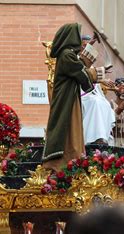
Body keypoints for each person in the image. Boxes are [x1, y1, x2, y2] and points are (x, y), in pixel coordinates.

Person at [42, 23, 111, 171]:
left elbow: (81, 63)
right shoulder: (66, 55)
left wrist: (90, 46)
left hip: (69, 98)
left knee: (72, 130)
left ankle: (73, 161)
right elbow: (81, 72)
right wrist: (100, 73)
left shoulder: (68, 54)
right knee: (68, 131)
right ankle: (63, 164)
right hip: (65, 100)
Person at [80, 35, 116, 145]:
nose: (87, 47)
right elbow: (85, 74)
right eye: (85, 45)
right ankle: (92, 138)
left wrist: (103, 75)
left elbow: (92, 73)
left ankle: (102, 137)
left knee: (104, 103)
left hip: (91, 94)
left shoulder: (88, 64)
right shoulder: (75, 59)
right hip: (80, 93)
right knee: (96, 102)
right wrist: (101, 79)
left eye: (88, 45)